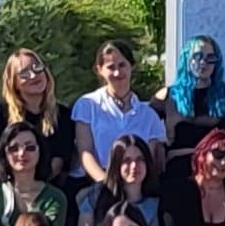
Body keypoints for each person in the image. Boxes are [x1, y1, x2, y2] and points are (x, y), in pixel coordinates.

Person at [70, 39, 167, 187]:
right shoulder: (87, 105)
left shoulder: (149, 116)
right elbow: (85, 152)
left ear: (132, 66)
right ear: (99, 70)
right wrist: (107, 184)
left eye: (122, 65)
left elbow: (152, 160)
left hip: (135, 183)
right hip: (94, 182)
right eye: (110, 67)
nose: (117, 72)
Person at [73, 134, 165, 226]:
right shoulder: (96, 195)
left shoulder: (153, 204)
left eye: (140, 159)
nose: (134, 166)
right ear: (116, 164)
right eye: (126, 161)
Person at [157, 33, 225, 160]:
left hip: (217, 167)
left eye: (210, 58)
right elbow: (142, 125)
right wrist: (156, 147)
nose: (203, 62)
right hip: (178, 167)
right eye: (197, 56)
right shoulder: (167, 95)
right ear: (186, 60)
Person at [0, 47, 64, 183]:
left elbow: (59, 160)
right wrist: (5, 184)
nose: (33, 75)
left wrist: (32, 186)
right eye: (24, 73)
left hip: (44, 184)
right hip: (4, 183)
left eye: (37, 67)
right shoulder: (0, 111)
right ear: (14, 82)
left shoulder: (62, 114)